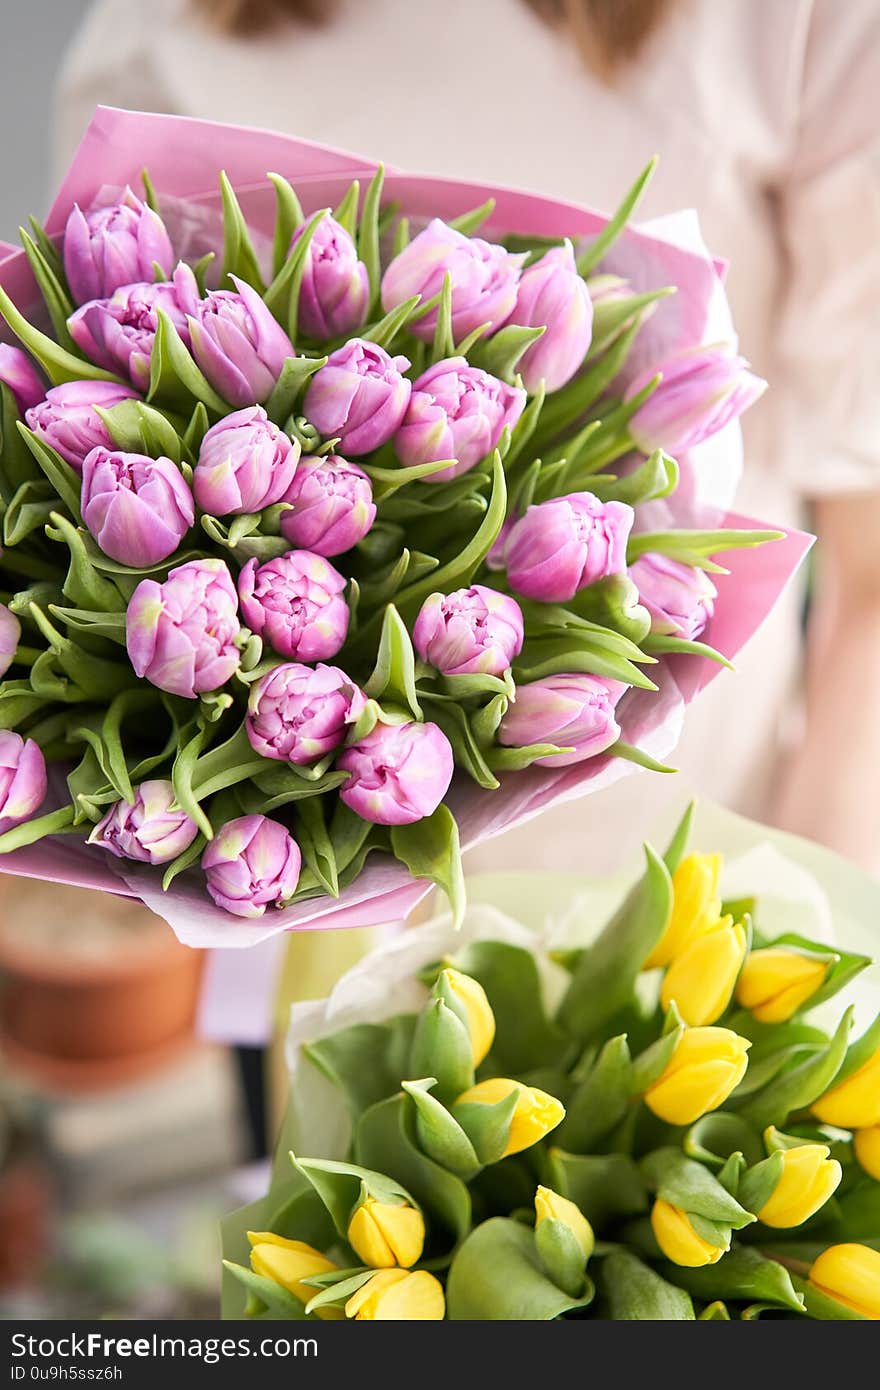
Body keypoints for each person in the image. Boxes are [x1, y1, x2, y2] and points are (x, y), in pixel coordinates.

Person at [54, 0, 880, 874]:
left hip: (676, 872)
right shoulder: (160, 23)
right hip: (253, 899)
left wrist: (810, 916)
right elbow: (84, 388)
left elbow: (872, 583)